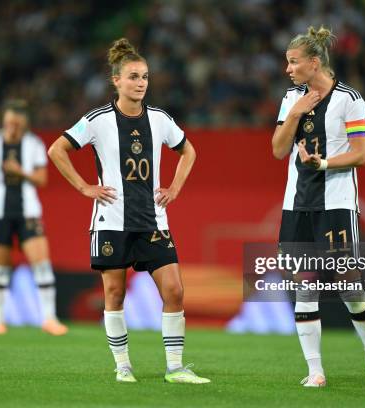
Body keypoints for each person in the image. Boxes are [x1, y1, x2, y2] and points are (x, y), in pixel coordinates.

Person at [48, 38, 209, 384]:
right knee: (114, 293)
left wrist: (175, 188)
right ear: (117, 81)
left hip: (153, 221)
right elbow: (57, 150)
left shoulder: (161, 120)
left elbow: (189, 151)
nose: (141, 83)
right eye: (134, 77)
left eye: (145, 77)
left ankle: (175, 368)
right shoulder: (96, 120)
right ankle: (123, 365)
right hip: (111, 220)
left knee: (175, 291)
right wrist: (83, 187)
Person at [271, 26, 365, 389]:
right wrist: (294, 113)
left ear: (314, 62)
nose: (288, 69)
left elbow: (361, 154)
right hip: (296, 206)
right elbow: (279, 150)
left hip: (336, 204)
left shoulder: (350, 100)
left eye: (294, 63)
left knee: (349, 286)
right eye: (287, 63)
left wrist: (321, 164)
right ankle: (315, 371)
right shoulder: (291, 98)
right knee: (304, 284)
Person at [0, 100, 68, 336]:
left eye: (16, 124)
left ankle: (49, 318)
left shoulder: (34, 144)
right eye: (9, 123)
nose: (12, 128)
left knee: (42, 264)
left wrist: (20, 172)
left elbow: (42, 179)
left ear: (24, 123)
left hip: (28, 211)